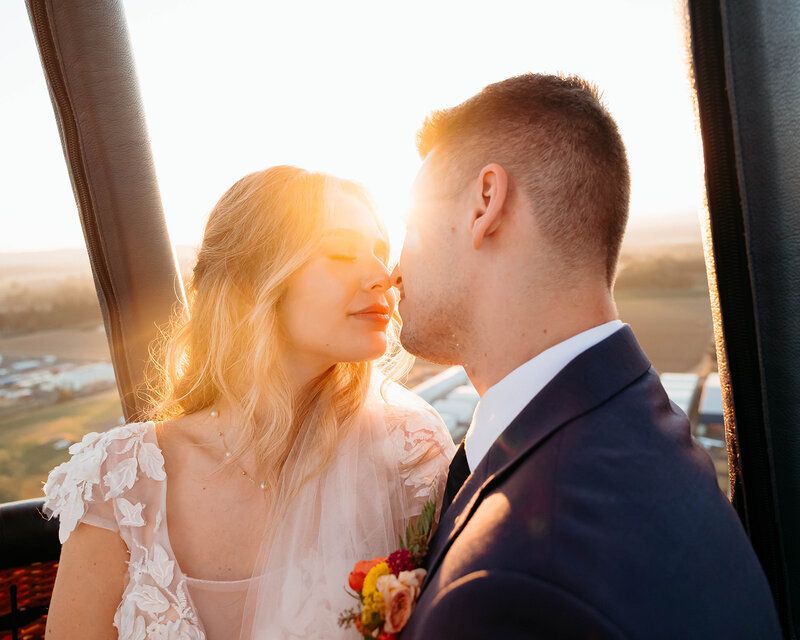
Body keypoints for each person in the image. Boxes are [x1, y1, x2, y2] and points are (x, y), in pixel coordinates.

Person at [393, 74, 782, 639]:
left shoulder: (511, 583)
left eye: (410, 227)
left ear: (485, 203)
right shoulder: (649, 432)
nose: (395, 268)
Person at [42, 166, 455, 640]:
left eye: (381, 252)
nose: (384, 276)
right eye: (341, 252)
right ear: (254, 280)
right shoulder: (117, 479)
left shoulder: (409, 449)